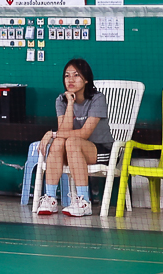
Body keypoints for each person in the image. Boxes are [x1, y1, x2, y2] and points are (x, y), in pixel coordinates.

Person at [35, 58, 109, 218]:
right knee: (59, 142)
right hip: (72, 150)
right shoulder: (61, 100)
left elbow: (84, 133)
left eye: (76, 75)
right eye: (67, 76)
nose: (70, 79)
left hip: (100, 150)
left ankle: (84, 202)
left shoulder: (97, 99)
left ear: (86, 79)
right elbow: (64, 131)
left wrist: (51, 133)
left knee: (70, 141)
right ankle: (50, 199)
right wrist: (70, 104)